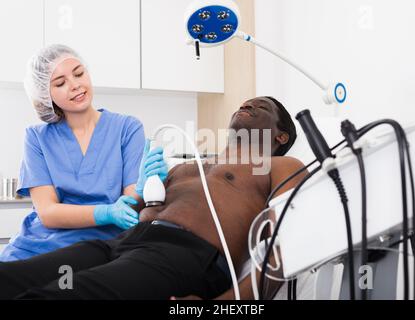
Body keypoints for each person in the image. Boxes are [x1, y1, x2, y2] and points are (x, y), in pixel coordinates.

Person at [0, 96, 306, 300]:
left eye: (260, 107)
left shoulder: (281, 167)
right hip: (121, 243)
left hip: (184, 256)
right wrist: (140, 193)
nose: (247, 104)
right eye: (245, 102)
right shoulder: (188, 165)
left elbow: (285, 246)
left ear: (280, 137)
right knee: (11, 278)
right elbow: (136, 210)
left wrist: (227, 304)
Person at [0, 44, 155, 261]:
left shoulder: (127, 128)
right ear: (46, 95)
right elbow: (48, 213)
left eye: (79, 73)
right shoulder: (37, 137)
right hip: (39, 243)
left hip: (102, 243)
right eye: (60, 83)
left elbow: (129, 203)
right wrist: (106, 212)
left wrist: (146, 187)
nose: (75, 85)